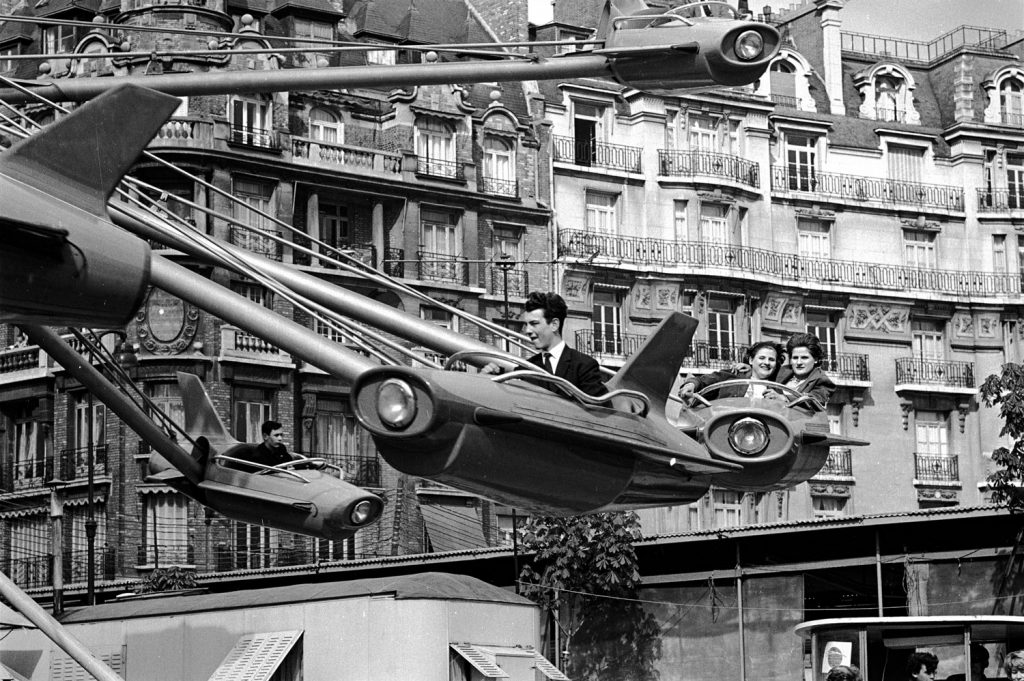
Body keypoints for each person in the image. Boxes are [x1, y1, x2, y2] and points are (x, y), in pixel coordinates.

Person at [485, 291, 606, 397]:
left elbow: (600, 414)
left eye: (534, 323)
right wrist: (487, 379)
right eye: (526, 325)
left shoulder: (584, 366)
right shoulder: (525, 369)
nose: (527, 330)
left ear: (554, 324)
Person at [677, 340, 784, 400]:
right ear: (751, 360)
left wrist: (780, 401)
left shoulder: (777, 389)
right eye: (762, 358)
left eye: (771, 359)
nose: (766, 362)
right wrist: (691, 385)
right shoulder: (734, 376)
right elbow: (705, 380)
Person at [774, 332, 836, 406]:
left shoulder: (822, 380)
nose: (799, 362)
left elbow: (813, 400)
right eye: (795, 358)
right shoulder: (782, 371)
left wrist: (785, 398)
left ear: (816, 359)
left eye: (804, 357)